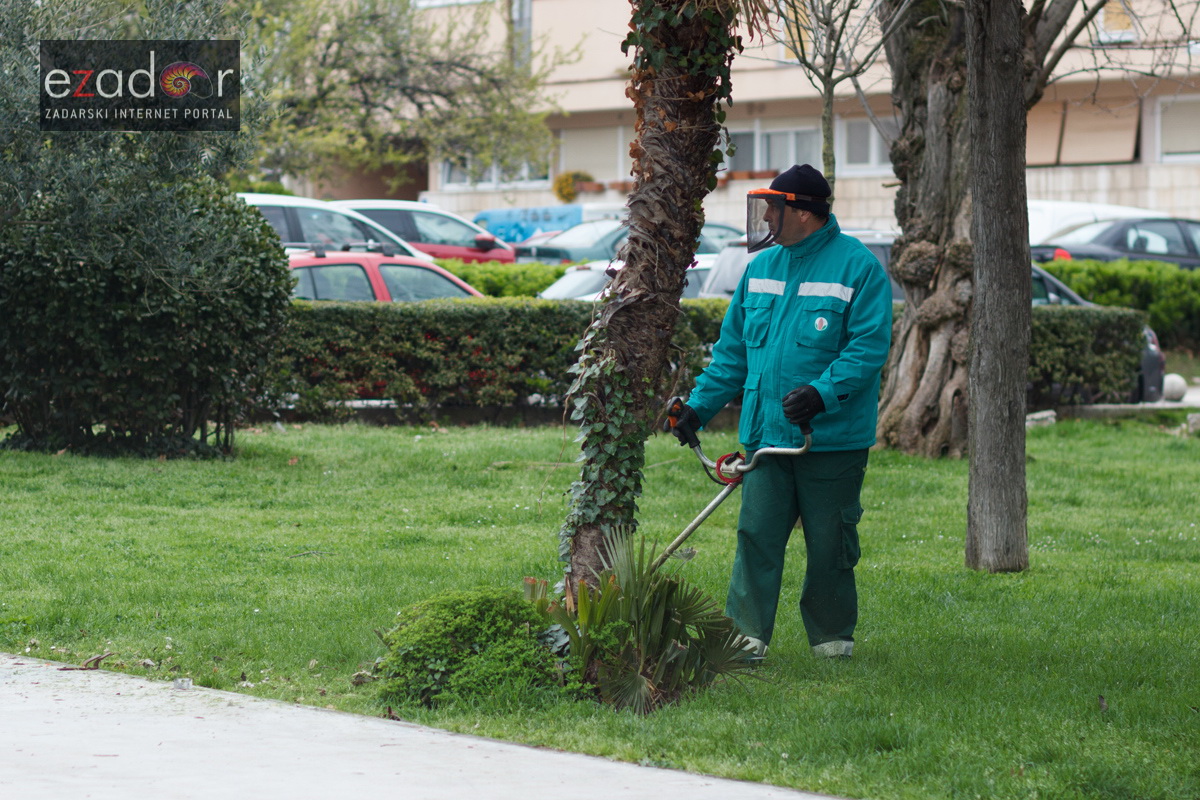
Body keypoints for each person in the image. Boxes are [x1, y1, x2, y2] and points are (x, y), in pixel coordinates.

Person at [671, 164, 892, 660]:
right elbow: (732, 355)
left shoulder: (858, 268)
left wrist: (820, 394)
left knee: (830, 545)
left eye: (774, 206)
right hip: (767, 436)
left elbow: (867, 349)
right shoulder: (761, 269)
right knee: (756, 537)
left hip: (829, 439)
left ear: (805, 214)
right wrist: (698, 409)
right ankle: (744, 640)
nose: (766, 214)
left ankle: (832, 642)